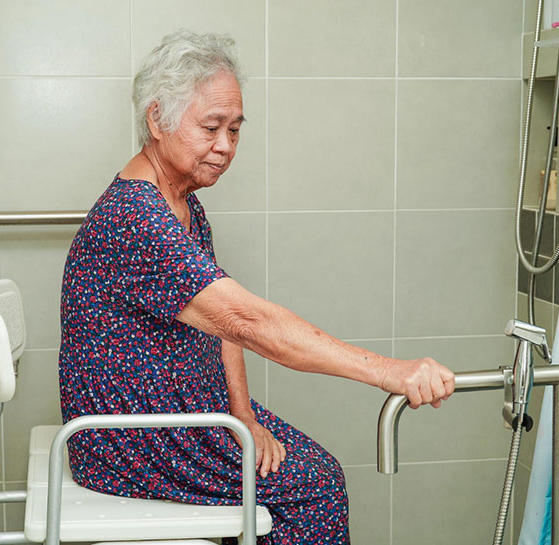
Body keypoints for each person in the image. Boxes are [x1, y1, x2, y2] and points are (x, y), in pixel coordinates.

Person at [59, 29, 455, 545]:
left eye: (235, 130)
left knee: (307, 473)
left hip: (190, 412)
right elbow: (247, 321)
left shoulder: (182, 202)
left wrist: (241, 415)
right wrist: (391, 372)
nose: (225, 147)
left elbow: (221, 324)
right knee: (316, 488)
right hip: (133, 438)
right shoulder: (137, 218)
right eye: (210, 128)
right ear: (157, 120)